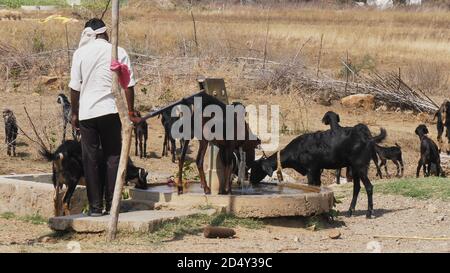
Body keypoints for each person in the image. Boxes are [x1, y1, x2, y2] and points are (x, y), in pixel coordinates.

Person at [69, 18, 141, 216]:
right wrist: (131, 111)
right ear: (105, 33)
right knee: (113, 157)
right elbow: (129, 84)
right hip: (110, 111)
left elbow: (74, 88)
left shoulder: (80, 53)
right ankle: (112, 204)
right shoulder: (117, 51)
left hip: (87, 114)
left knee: (90, 159)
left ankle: (95, 208)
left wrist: (74, 112)